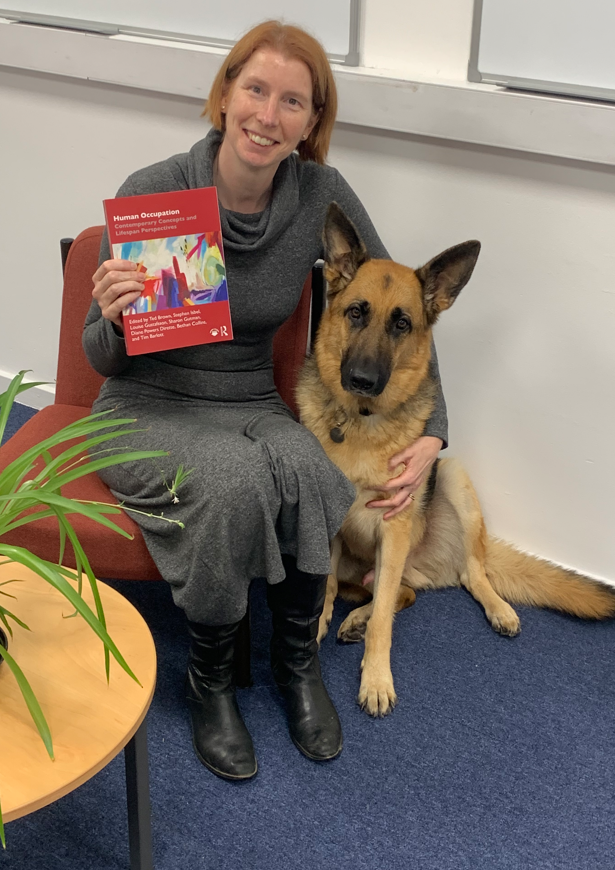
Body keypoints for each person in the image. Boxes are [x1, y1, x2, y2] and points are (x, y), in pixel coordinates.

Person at [83, 20, 448, 781]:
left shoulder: (318, 193)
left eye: (293, 101)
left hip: (248, 400)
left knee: (317, 474)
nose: (267, 115)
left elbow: (400, 300)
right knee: (236, 482)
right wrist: (113, 318)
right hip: (147, 405)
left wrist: (435, 431)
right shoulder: (155, 191)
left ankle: (294, 667)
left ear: (312, 123)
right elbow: (98, 357)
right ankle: (211, 682)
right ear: (223, 96)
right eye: (255, 89)